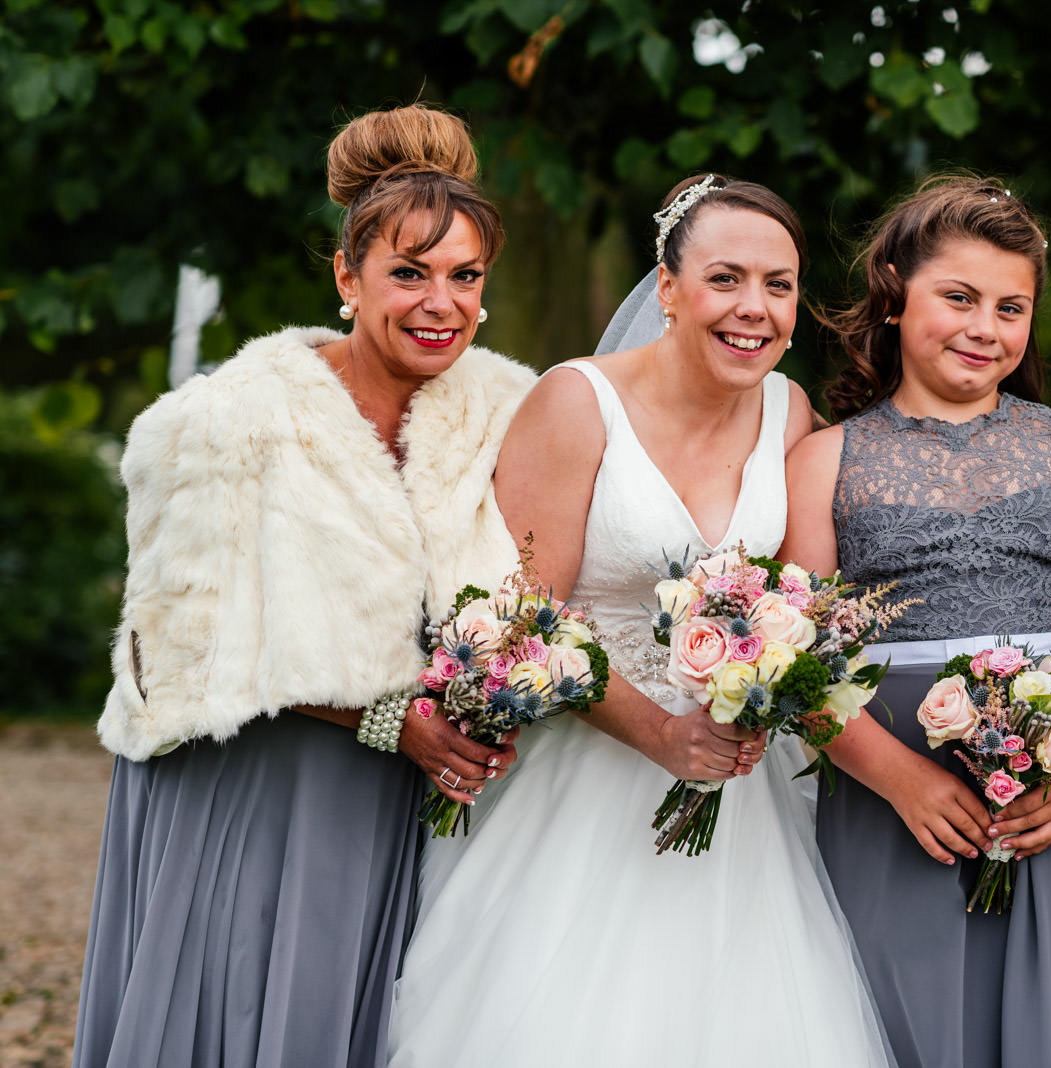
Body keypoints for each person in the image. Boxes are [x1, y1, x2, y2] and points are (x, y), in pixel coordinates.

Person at [386, 174, 897, 1067]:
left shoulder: (790, 414)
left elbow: (796, 605)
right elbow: (524, 617)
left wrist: (761, 687)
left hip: (738, 794)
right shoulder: (578, 402)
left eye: (779, 285)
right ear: (667, 287)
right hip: (582, 771)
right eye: (726, 279)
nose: (756, 309)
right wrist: (662, 732)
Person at [72, 104, 533, 1067]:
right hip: (251, 786)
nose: (438, 303)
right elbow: (181, 656)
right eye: (407, 273)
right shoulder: (217, 421)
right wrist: (388, 718)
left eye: (464, 275)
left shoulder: (513, 413)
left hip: (422, 806)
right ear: (346, 276)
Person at [782, 174, 1051, 1068]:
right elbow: (796, 660)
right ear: (894, 294)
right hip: (889, 782)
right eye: (959, 297)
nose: (985, 328)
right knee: (900, 1013)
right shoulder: (825, 459)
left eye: (1011, 307)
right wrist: (901, 779)